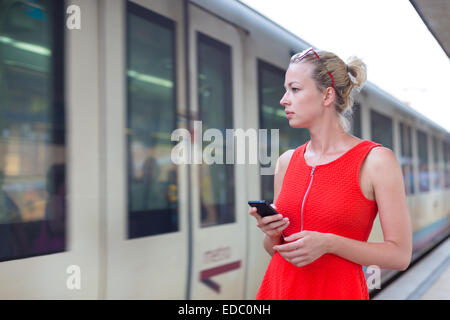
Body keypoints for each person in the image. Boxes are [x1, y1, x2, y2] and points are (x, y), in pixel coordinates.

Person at [249, 47, 412, 300]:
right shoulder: (286, 162)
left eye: (294, 89)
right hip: (278, 291)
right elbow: (276, 250)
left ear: (327, 95)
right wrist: (272, 234)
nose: (283, 99)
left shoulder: (376, 161)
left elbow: (400, 256)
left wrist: (330, 244)